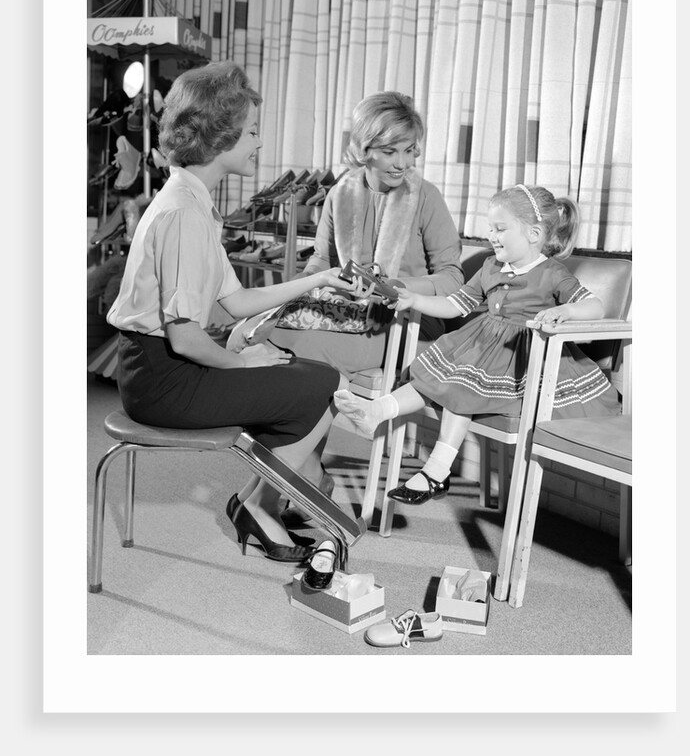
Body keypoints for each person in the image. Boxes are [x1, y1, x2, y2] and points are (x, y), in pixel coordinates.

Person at [107, 60, 355, 563]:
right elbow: (185, 339)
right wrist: (245, 362)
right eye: (252, 132)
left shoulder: (192, 202)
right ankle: (258, 504)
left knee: (312, 376)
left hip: (164, 367)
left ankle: (274, 499)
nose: (259, 143)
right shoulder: (183, 213)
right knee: (318, 382)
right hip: (162, 380)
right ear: (219, 137)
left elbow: (236, 301)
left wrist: (318, 279)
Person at [333, 184, 621, 505]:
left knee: (462, 385)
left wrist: (565, 311)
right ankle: (377, 411)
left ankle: (436, 471)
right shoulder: (490, 267)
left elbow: (594, 306)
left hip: (525, 361)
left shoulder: (553, 274)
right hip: (483, 347)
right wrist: (413, 299)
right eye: (489, 229)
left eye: (500, 229)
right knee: (435, 375)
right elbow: (456, 304)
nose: (492, 236)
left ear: (534, 233)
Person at [268, 90, 465, 377]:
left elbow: (453, 277)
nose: (402, 163)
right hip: (350, 312)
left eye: (409, 150)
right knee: (267, 333)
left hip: (410, 322)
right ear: (365, 149)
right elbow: (322, 261)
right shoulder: (339, 194)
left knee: (301, 349)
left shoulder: (426, 196)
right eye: (389, 152)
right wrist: (289, 294)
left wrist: (399, 286)